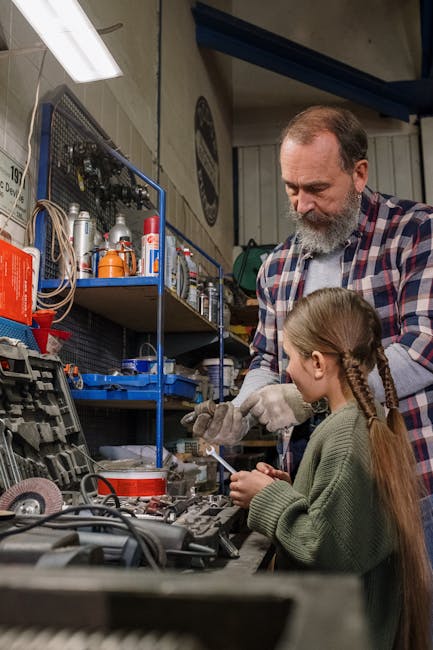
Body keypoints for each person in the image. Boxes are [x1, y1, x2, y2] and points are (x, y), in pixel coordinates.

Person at [185, 105, 433, 563]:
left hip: (408, 481)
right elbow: (264, 361)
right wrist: (240, 411)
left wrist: (310, 398)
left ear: (358, 174)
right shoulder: (276, 267)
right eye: (291, 188)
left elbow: (421, 352)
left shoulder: (416, 235)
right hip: (312, 485)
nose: (302, 205)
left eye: (317, 188)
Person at [229, 287, 431, 650]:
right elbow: (351, 517)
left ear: (319, 363)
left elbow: (329, 550)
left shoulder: (345, 433)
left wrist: (268, 498)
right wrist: (294, 489)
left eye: (290, 357)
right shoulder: (368, 421)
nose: (287, 370)